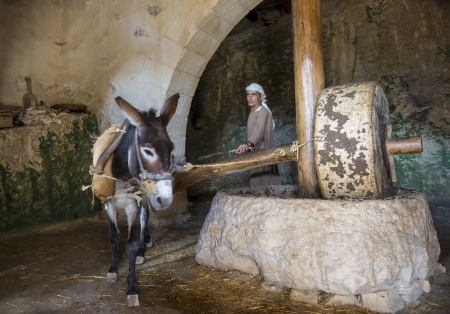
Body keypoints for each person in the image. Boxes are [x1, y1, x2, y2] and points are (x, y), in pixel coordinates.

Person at [235, 83, 281, 187]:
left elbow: (258, 130)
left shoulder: (263, 112)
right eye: (248, 94)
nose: (250, 98)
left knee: (263, 184)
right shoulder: (253, 111)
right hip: (255, 152)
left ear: (261, 96)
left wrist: (248, 144)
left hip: (264, 153)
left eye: (253, 95)